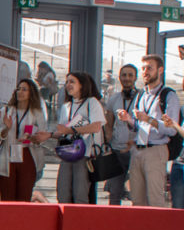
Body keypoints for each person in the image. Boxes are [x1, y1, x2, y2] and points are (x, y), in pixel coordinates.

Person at [117, 54, 180, 208]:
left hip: (156, 150)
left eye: (149, 68)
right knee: (137, 201)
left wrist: (149, 120)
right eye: (143, 68)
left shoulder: (168, 95)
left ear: (160, 70)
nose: (145, 72)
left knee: (155, 200)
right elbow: (138, 126)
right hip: (138, 150)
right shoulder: (142, 94)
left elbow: (172, 130)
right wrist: (129, 120)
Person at [0, 78, 52, 202]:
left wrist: (31, 138)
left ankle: (23, 221)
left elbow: (42, 136)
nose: (20, 92)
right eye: (18, 89)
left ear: (31, 93)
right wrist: (6, 128)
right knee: (7, 197)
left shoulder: (37, 113)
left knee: (24, 197)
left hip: (27, 154)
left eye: (24, 89)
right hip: (8, 156)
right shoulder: (7, 110)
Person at [54, 71, 105, 204]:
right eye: (67, 82)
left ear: (82, 85)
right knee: (63, 193)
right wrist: (47, 135)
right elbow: (62, 131)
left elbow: (96, 127)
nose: (68, 85)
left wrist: (71, 130)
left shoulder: (92, 103)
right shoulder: (67, 106)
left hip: (84, 155)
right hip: (68, 153)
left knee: (80, 194)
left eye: (72, 82)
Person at [102, 63, 138, 205]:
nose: (127, 78)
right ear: (120, 77)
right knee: (115, 193)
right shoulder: (114, 99)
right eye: (124, 75)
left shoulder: (141, 97)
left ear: (135, 78)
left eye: (130, 75)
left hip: (135, 150)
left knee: (136, 192)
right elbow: (109, 124)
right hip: (117, 150)